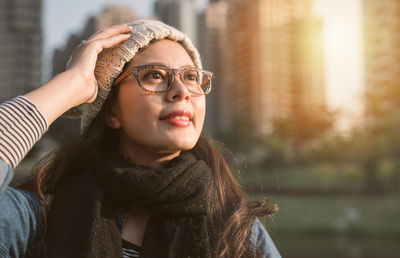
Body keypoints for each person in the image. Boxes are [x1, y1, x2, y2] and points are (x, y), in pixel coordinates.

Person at [0, 20, 280, 258]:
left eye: (192, 76)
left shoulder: (237, 230)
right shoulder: (39, 218)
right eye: (155, 75)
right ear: (111, 110)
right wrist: (73, 83)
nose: (181, 91)